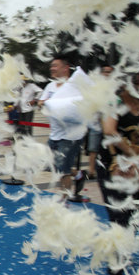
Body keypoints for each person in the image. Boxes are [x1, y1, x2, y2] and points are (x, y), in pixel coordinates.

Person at [97, 72, 139, 275]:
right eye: (138, 82)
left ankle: (121, 254)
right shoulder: (113, 99)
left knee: (133, 216)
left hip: (136, 169)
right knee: (121, 219)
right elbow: (108, 130)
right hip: (112, 166)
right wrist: (131, 155)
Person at [38, 57, 89, 203]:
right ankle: (78, 174)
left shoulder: (74, 87)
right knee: (53, 166)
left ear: (65, 68)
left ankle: (64, 200)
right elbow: (42, 103)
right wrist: (42, 103)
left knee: (63, 170)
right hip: (54, 134)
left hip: (71, 136)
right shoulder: (50, 86)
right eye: (51, 66)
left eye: (55, 66)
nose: (52, 68)